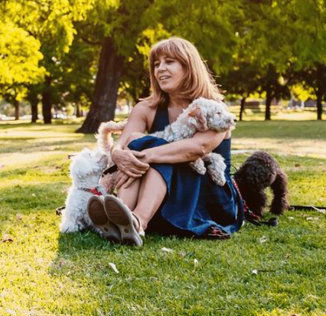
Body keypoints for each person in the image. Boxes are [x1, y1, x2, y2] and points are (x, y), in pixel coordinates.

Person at [90, 37, 244, 247]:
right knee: (135, 143)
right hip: (163, 196)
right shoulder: (146, 108)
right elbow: (123, 143)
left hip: (207, 197)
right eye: (156, 64)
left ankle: (138, 221)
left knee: (153, 148)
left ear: (189, 67)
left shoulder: (213, 109)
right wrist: (119, 154)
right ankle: (120, 215)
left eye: (169, 62)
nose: (160, 68)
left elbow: (197, 148)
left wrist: (146, 154)